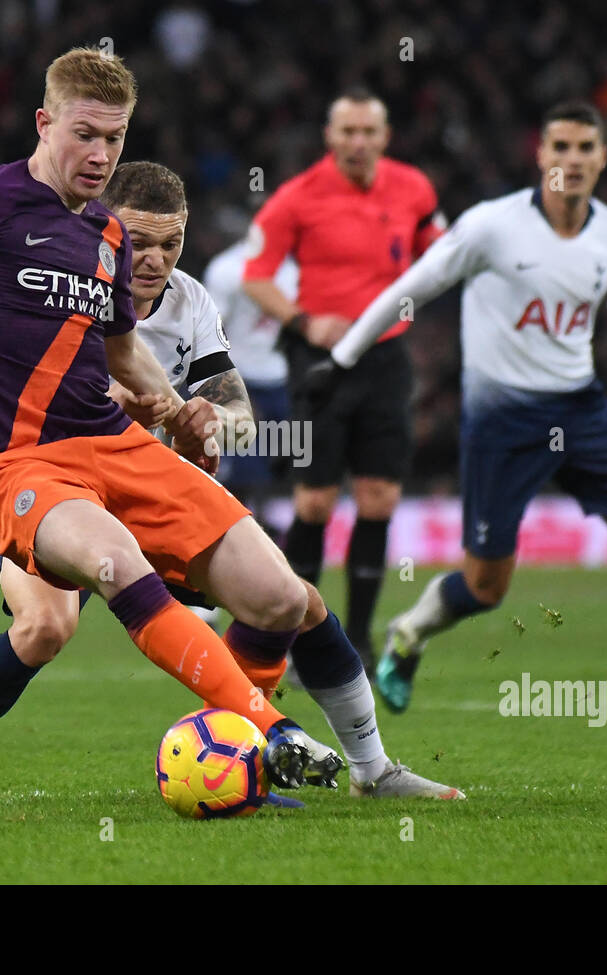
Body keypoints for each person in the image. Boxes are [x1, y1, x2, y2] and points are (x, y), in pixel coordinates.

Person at [0, 48, 345, 802]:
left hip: (113, 443)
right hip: (16, 462)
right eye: (85, 134)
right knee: (96, 580)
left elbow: (122, 352)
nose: (101, 154)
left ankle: (309, 764)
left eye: (114, 139)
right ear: (44, 123)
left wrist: (179, 412)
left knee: (280, 593)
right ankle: (268, 732)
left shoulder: (109, 235)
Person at [0, 160, 462, 805]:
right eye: (140, 242)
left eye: (171, 244)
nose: (154, 260)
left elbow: (239, 414)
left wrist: (213, 420)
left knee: (293, 600)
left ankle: (358, 769)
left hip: (145, 487)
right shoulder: (64, 280)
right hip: (52, 479)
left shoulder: (191, 302)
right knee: (44, 628)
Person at [312, 101, 607, 715]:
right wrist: (345, 357)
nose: (572, 160)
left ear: (602, 158)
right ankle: (408, 633)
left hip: (582, 410)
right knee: (487, 586)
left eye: (584, 148)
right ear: (540, 155)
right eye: (560, 147)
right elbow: (411, 289)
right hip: (501, 421)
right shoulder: (492, 226)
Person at [242, 88, 446, 672]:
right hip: (321, 364)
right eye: (347, 132)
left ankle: (355, 640)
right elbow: (257, 276)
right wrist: (305, 321)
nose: (358, 142)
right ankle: (299, 639)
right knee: (314, 501)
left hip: (384, 357)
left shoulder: (414, 189)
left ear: (385, 137)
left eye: (368, 132)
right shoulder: (296, 197)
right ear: (329, 138)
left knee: (379, 497)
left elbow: (440, 252)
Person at [202, 231, 297, 529]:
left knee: (285, 453)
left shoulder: (294, 270)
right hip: (239, 374)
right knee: (240, 461)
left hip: (279, 377)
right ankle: (235, 521)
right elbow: (211, 331)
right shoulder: (226, 269)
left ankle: (262, 518)